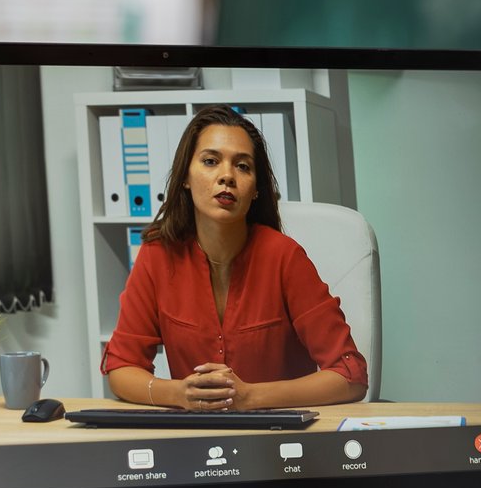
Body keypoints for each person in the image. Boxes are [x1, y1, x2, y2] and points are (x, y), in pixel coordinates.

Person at [103, 106, 366, 410]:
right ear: (185, 177)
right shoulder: (157, 256)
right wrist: (180, 395)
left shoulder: (285, 257)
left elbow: (351, 375)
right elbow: (121, 368)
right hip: (196, 438)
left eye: (242, 166)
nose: (226, 176)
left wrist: (250, 397)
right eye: (211, 161)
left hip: (281, 443)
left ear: (256, 189)